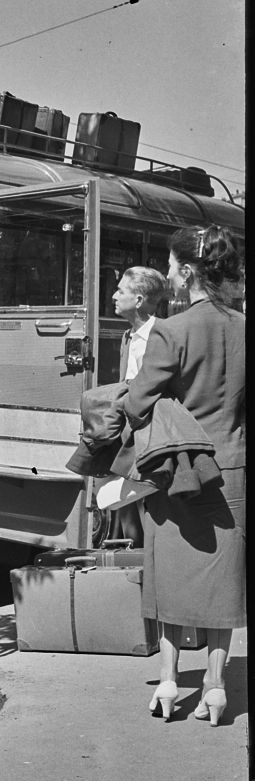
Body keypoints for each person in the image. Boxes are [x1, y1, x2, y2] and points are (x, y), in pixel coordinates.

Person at [124, 227, 245, 725]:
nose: (169, 274)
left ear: (188, 272)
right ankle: (216, 688)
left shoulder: (169, 332)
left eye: (172, 266)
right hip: (233, 467)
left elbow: (137, 405)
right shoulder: (243, 325)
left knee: (171, 576)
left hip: (176, 471)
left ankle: (171, 683)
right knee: (222, 579)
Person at [107, 266, 168, 544]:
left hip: (149, 437)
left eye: (121, 290)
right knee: (125, 507)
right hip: (129, 433)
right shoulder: (129, 335)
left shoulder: (161, 336)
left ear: (140, 300)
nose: (113, 296)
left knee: (147, 506)